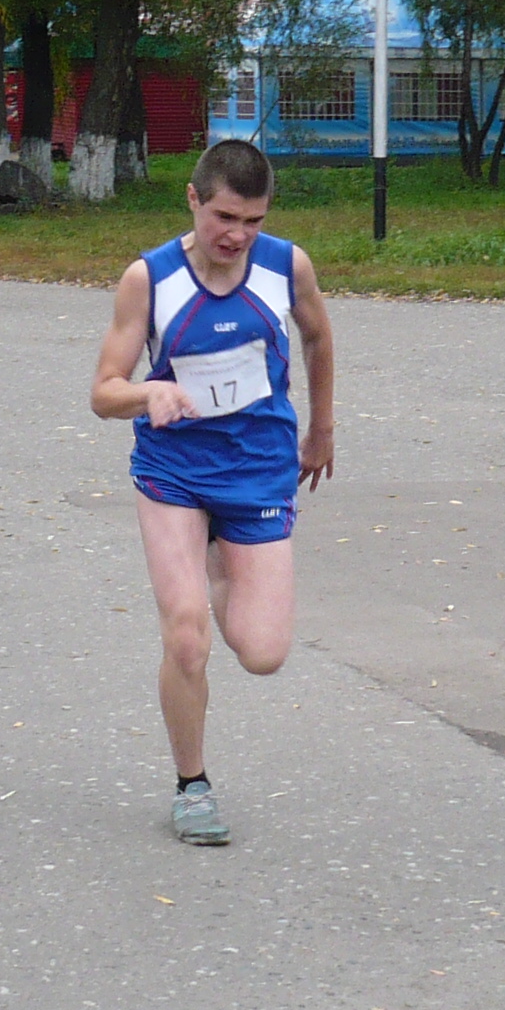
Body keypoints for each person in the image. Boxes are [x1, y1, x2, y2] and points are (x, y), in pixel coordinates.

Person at [92, 139, 335, 844]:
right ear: (193, 200)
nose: (237, 235)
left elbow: (318, 339)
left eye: (254, 221)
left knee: (262, 652)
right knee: (186, 636)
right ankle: (192, 785)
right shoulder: (150, 279)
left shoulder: (286, 267)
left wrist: (321, 429)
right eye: (225, 217)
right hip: (173, 470)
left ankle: (217, 556)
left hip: (257, 467)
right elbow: (103, 392)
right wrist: (149, 393)